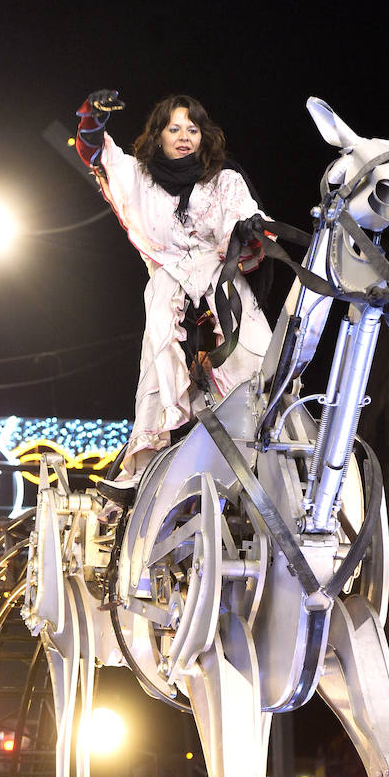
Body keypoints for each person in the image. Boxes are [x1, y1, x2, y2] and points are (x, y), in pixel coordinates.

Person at [75, 89, 272, 484]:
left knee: (261, 361)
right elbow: (96, 154)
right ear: (159, 136)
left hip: (223, 285)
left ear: (204, 137)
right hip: (168, 287)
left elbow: (247, 218)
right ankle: (143, 470)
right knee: (157, 367)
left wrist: (250, 229)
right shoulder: (139, 178)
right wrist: (90, 116)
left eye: (193, 129)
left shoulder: (225, 181)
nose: (184, 135)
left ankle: (273, 443)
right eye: (174, 128)